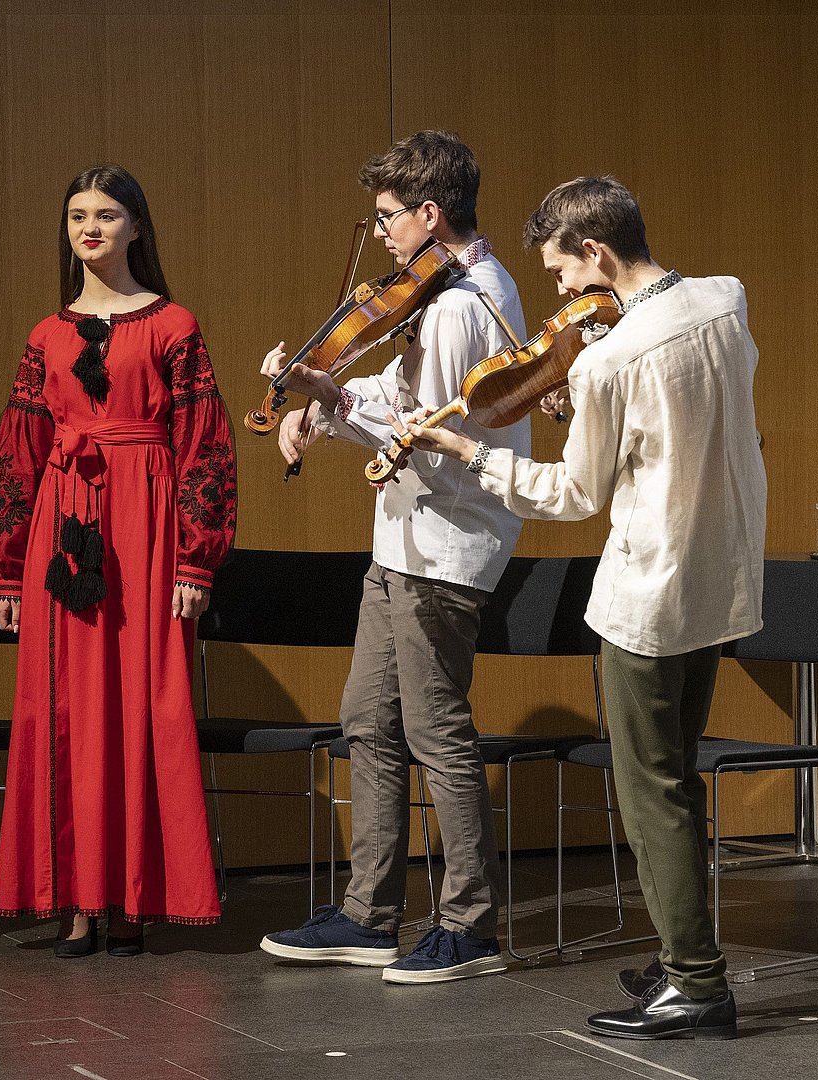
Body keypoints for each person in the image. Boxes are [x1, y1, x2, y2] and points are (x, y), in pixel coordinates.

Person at [406, 176, 765, 1039]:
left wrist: (470, 451)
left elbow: (573, 493)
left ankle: (698, 984)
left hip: (650, 593)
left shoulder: (610, 357)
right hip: (720, 579)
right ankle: (681, 957)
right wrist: (591, 400)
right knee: (677, 777)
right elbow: (678, 417)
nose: (562, 292)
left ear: (595, 251)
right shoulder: (726, 299)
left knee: (652, 793)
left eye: (563, 272)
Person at [257, 131, 527, 983]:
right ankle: (369, 915)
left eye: (386, 217)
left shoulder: (461, 305)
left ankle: (470, 927)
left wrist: (330, 402)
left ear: (429, 214)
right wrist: (325, 400)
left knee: (435, 731)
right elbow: (403, 389)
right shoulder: (444, 290)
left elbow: (434, 442)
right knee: (369, 722)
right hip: (403, 543)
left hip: (443, 548)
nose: (378, 234)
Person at [0, 163, 236, 957]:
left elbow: (205, 447)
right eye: (77, 216)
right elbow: (18, 453)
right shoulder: (46, 335)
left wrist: (195, 561)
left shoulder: (174, 324)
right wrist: (7, 568)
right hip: (64, 523)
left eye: (106, 214)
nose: (89, 227)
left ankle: (132, 898)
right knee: (63, 707)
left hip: (146, 526)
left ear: (136, 227)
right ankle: (75, 900)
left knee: (142, 703)